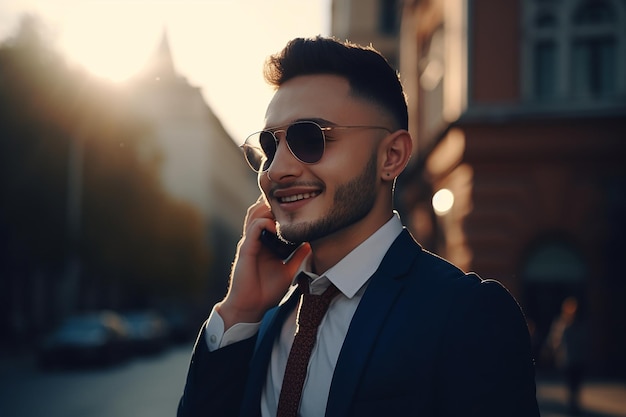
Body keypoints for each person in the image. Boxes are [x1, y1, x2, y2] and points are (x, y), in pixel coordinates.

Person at [178, 36, 539, 417]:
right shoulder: (262, 320)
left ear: (392, 156)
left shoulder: (467, 316)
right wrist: (239, 311)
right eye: (270, 146)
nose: (277, 170)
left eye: (310, 138)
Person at [547, 296, 588, 415]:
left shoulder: (580, 324)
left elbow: (585, 341)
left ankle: (575, 404)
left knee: (576, 385)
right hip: (568, 360)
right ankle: (572, 405)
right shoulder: (561, 323)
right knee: (570, 385)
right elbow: (555, 340)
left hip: (578, 359)